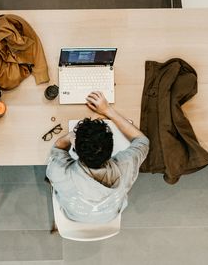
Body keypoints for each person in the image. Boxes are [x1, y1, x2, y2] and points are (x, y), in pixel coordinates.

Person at [46, 91, 150, 224]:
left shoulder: (59, 173)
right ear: (111, 150)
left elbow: (58, 148)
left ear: (75, 149)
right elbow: (142, 141)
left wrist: (71, 136)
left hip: (74, 214)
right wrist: (107, 110)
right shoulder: (125, 167)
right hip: (109, 215)